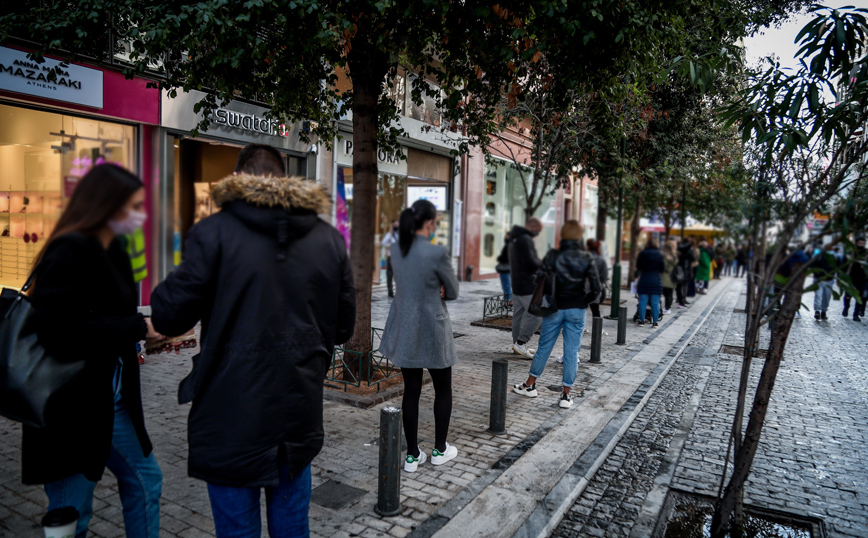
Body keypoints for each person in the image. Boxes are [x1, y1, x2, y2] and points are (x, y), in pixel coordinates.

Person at [151, 144, 356, 537]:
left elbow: (167, 315)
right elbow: (343, 326)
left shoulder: (213, 233)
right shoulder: (328, 240)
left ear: (237, 180)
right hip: (297, 413)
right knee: (292, 525)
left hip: (230, 416)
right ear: (286, 180)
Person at [25, 164, 163, 538]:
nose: (140, 215)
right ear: (106, 205)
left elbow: (111, 317)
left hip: (112, 401)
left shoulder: (111, 249)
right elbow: (58, 332)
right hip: (72, 409)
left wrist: (144, 337)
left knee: (146, 480)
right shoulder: (68, 250)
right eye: (132, 206)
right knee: (72, 515)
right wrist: (136, 328)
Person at [379, 199, 460, 472]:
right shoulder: (437, 253)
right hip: (434, 328)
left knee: (411, 391)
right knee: (443, 389)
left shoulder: (396, 250)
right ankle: (440, 449)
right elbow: (453, 290)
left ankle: (412, 455)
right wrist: (441, 289)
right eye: (435, 221)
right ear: (429, 223)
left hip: (406, 328)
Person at [513, 220, 600, 408]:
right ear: (579, 236)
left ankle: (530, 385)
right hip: (577, 310)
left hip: (554, 308)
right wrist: (584, 301)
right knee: (571, 352)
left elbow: (540, 278)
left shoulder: (553, 255)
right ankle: (566, 396)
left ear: (563, 235)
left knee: (544, 347)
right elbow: (596, 289)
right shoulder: (586, 258)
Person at [509, 217, 544, 358]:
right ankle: (521, 343)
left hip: (517, 283)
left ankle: (517, 345)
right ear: (533, 226)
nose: (538, 233)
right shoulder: (525, 239)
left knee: (518, 315)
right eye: (538, 230)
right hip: (527, 283)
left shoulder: (515, 238)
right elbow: (531, 263)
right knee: (537, 313)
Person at [635, 238, 665, 327]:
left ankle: (641, 321)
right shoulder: (660, 254)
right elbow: (662, 268)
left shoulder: (642, 254)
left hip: (644, 280)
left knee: (642, 302)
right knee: (655, 303)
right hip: (656, 281)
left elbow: (638, 266)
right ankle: (655, 323)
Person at [842, 236, 867, 321]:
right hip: (850, 277)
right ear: (856, 243)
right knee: (848, 296)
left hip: (862, 278)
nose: (861, 245)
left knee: (860, 297)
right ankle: (846, 308)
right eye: (860, 243)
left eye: (863, 243)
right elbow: (844, 264)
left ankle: (856, 314)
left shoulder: (866, 253)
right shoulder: (850, 252)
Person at [811, 244, 837, 320]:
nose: (830, 251)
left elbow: (837, 267)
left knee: (827, 297)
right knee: (818, 296)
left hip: (829, 280)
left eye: (831, 250)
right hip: (819, 280)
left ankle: (824, 311)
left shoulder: (834, 258)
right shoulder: (819, 257)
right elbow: (813, 266)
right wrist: (818, 274)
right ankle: (817, 311)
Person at [586, 239, 609, 318]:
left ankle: (581, 328)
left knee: (580, 308)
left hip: (581, 288)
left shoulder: (582, 258)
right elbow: (604, 276)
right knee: (595, 309)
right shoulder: (601, 260)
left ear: (587, 246)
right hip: (594, 287)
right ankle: (597, 328)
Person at [382, 219, 399, 298]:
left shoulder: (401, 234)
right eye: (394, 225)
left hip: (399, 257)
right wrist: (389, 233)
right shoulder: (390, 234)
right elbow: (383, 242)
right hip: (391, 256)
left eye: (396, 225)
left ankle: (399, 291)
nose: (395, 226)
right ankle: (390, 292)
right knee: (389, 275)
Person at [661, 239, 679, 314]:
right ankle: (668, 307)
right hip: (672, 277)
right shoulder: (675, 256)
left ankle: (667, 308)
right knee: (670, 293)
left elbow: (663, 266)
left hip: (666, 277)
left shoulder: (665, 256)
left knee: (666, 293)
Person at [677, 238, 695, 306]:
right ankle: (683, 299)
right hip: (687, 268)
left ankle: (679, 299)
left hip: (679, 268)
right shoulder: (689, 249)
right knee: (685, 284)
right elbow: (692, 258)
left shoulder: (678, 247)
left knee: (679, 284)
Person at [496, 233, 512, 302]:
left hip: (506, 269)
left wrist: (499, 258)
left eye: (507, 236)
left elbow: (505, 258)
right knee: (507, 286)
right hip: (510, 269)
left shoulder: (509, 246)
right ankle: (509, 301)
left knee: (506, 286)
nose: (505, 238)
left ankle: (508, 301)